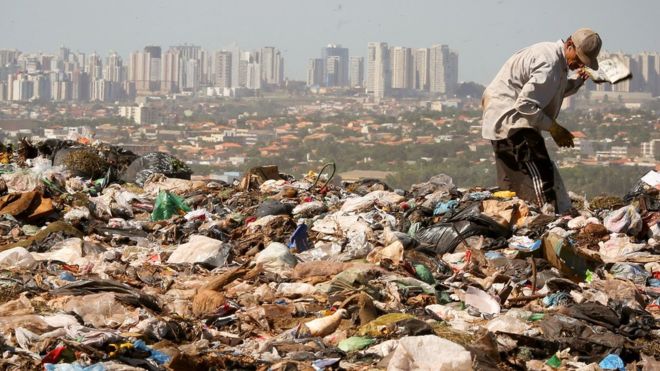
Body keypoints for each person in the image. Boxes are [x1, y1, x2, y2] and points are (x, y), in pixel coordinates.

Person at [481, 28, 602, 212]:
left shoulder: (556, 60)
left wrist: (577, 82)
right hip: (512, 120)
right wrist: (553, 128)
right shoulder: (550, 63)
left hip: (504, 118)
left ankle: (516, 222)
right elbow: (525, 104)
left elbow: (552, 89)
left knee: (512, 180)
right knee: (540, 173)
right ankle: (546, 217)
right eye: (577, 59)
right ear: (569, 45)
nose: (577, 65)